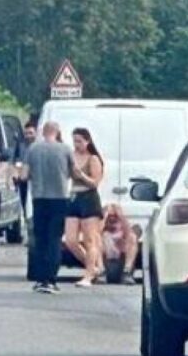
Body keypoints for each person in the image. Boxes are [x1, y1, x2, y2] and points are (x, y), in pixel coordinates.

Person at [21, 122, 74, 294]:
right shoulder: (65, 149)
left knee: (41, 239)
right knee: (55, 239)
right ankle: (51, 279)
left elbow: (24, 175)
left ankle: (41, 279)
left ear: (43, 132)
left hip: (39, 198)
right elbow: (74, 172)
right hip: (59, 198)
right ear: (58, 132)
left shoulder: (33, 149)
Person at [63, 127, 105, 288]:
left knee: (90, 238)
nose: (77, 144)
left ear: (87, 141)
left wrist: (82, 175)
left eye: (80, 141)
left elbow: (95, 182)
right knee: (71, 240)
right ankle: (93, 266)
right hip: (74, 196)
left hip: (89, 197)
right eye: (74, 141)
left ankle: (88, 275)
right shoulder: (72, 157)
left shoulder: (93, 159)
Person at [101, 204, 139, 285]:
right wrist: (104, 216)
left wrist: (121, 216)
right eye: (110, 217)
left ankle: (127, 272)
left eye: (115, 216)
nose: (112, 219)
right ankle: (101, 272)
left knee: (132, 237)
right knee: (97, 239)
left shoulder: (124, 234)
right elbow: (96, 233)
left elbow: (129, 233)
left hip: (121, 268)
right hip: (105, 268)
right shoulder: (103, 234)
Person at [14, 122, 37, 218]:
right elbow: (16, 160)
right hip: (23, 180)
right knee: (24, 204)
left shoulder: (40, 146)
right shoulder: (21, 145)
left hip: (37, 180)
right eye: (26, 133)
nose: (28, 136)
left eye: (31, 133)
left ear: (36, 133)